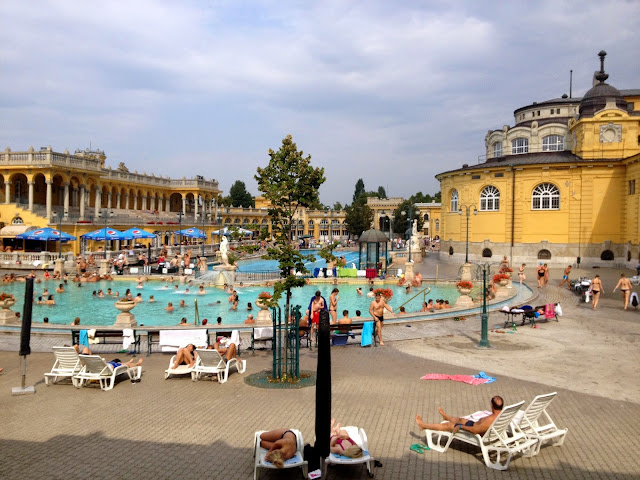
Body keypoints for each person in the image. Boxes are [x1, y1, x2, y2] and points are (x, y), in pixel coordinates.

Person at [415, 396, 505, 435]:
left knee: (447, 425)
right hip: (475, 425)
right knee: (461, 419)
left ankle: (423, 425)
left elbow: (475, 430)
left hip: (473, 430)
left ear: (492, 405)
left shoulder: (490, 419)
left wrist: (461, 427)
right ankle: (446, 417)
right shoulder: (503, 415)